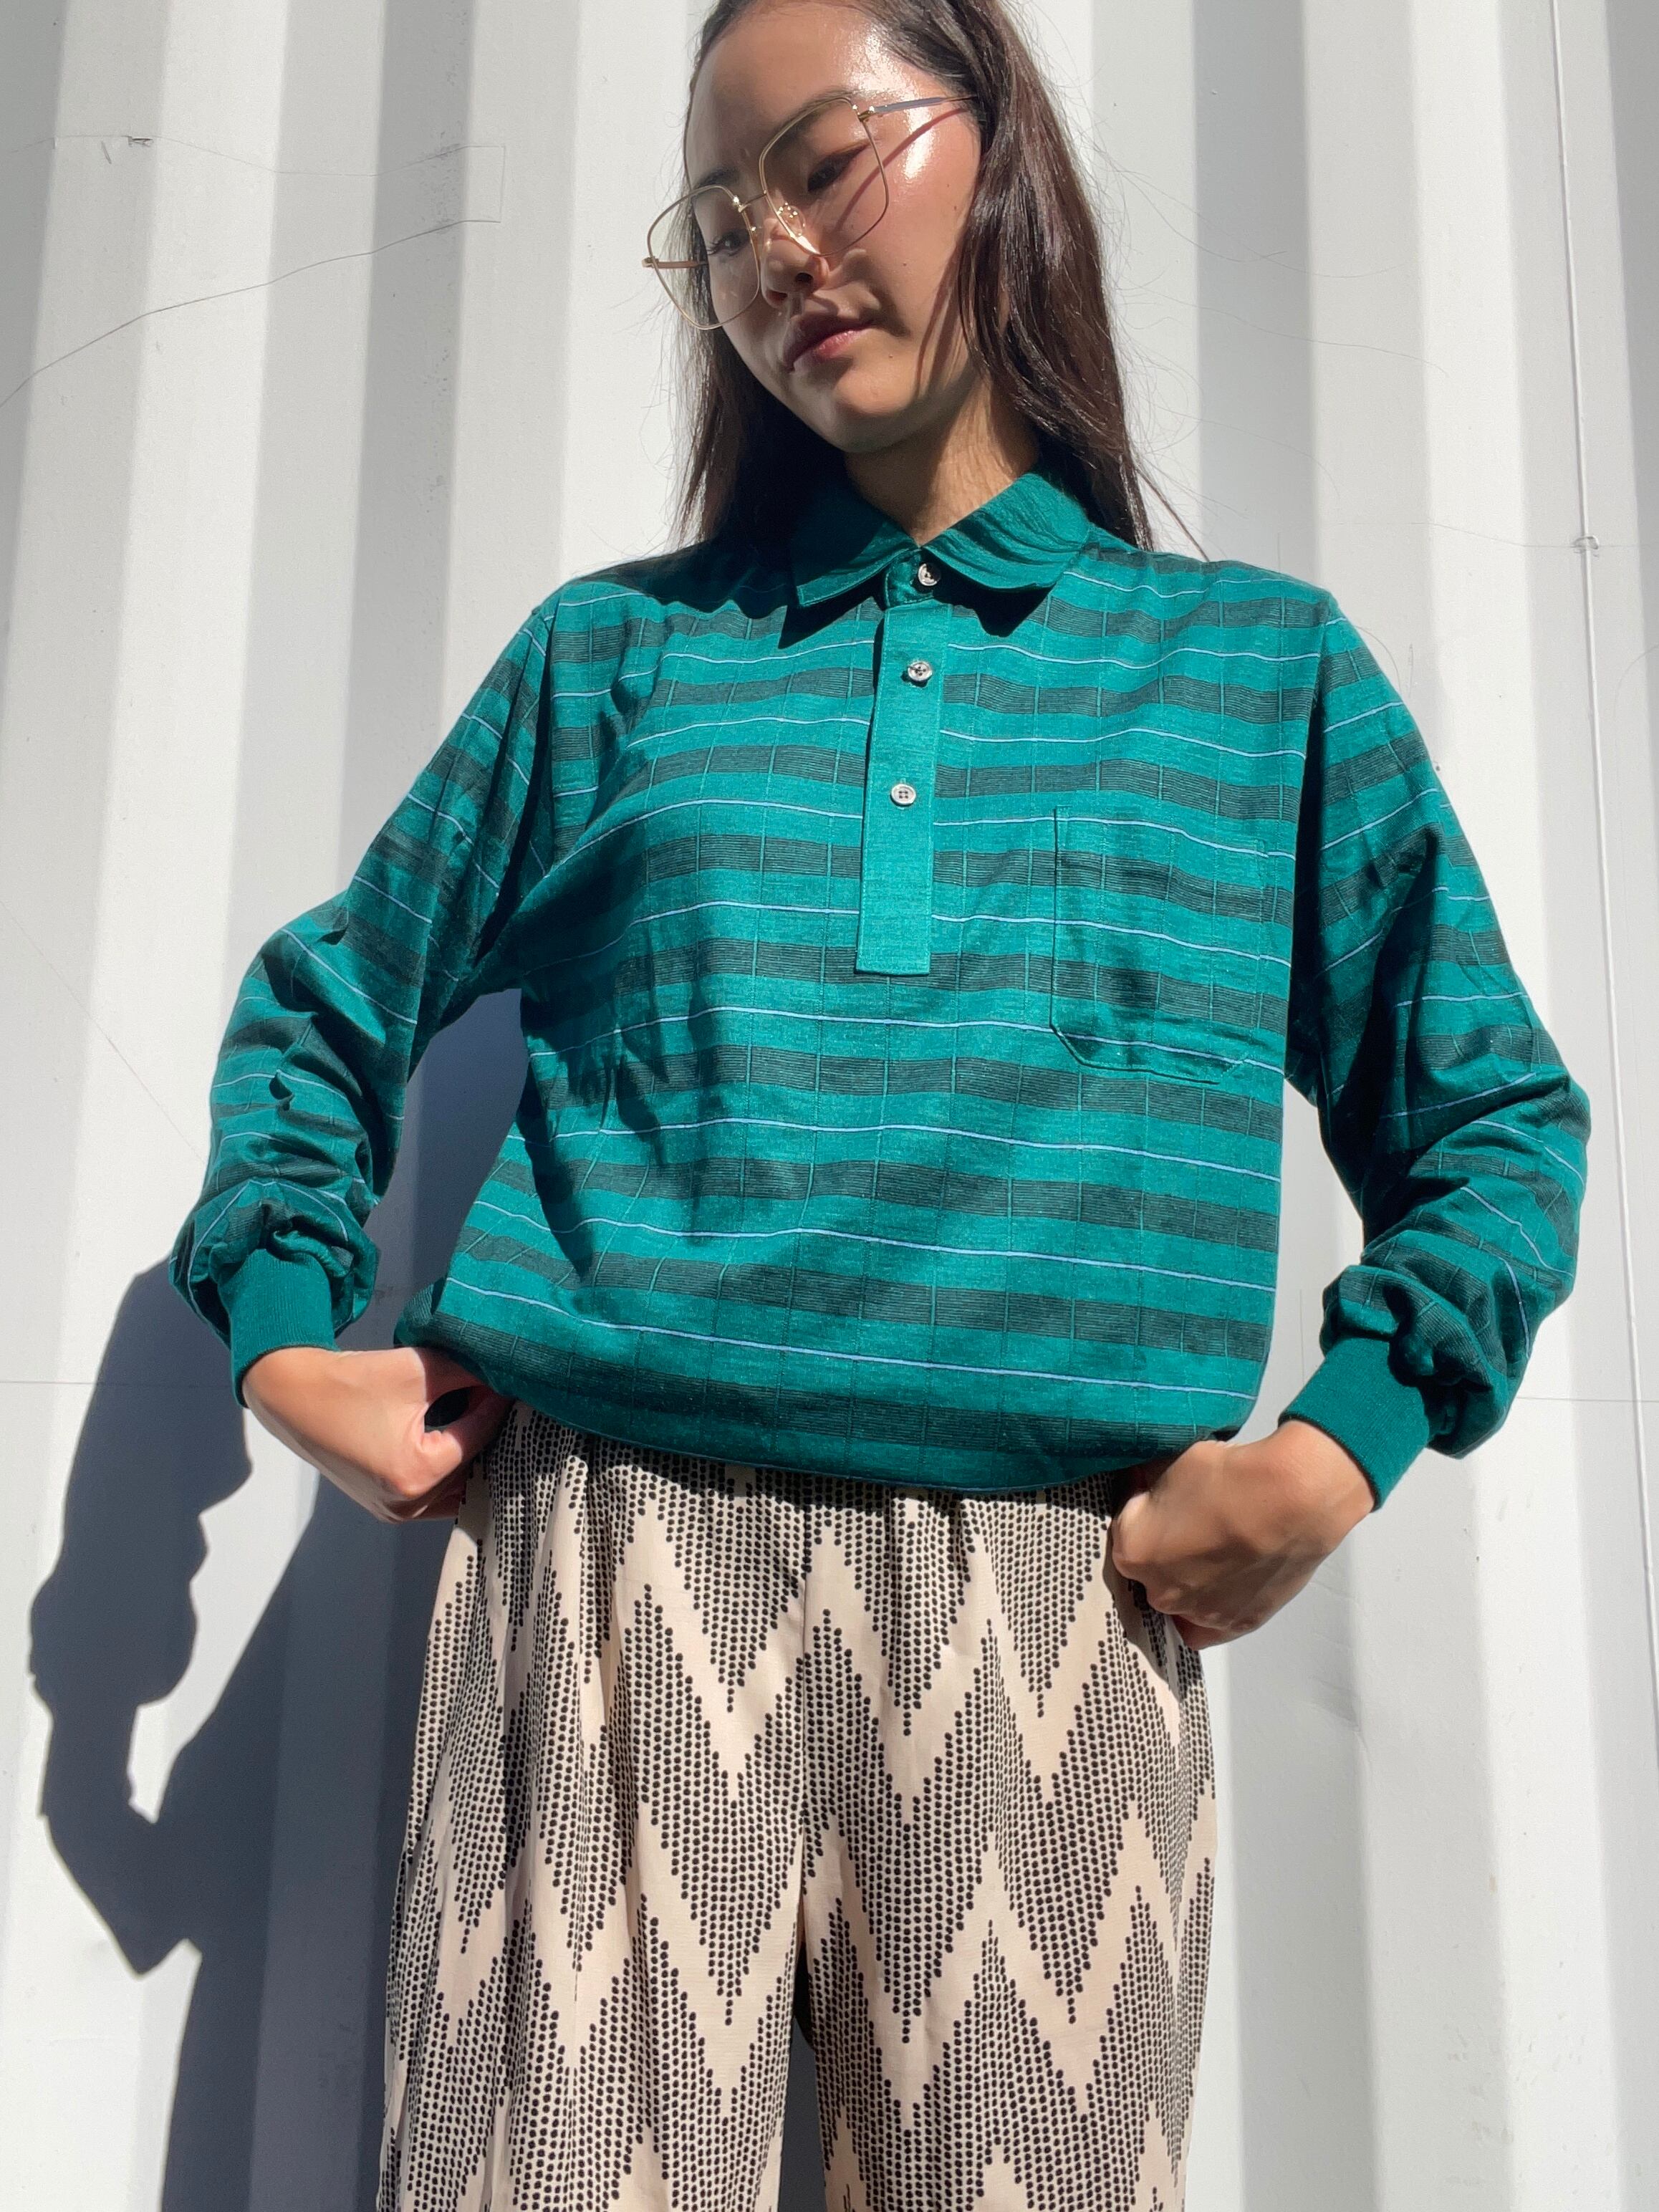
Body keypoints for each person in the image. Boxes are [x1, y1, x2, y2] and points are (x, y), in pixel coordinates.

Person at [168, 1, 1592, 2206]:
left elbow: (1488, 1119)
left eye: (827, 162)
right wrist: (282, 1336)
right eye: (721, 221)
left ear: (996, 143)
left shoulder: (1258, 677)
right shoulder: (616, 661)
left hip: (1055, 1598)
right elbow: (326, 1005)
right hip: (611, 1578)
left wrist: (1338, 1452)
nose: (779, 252)